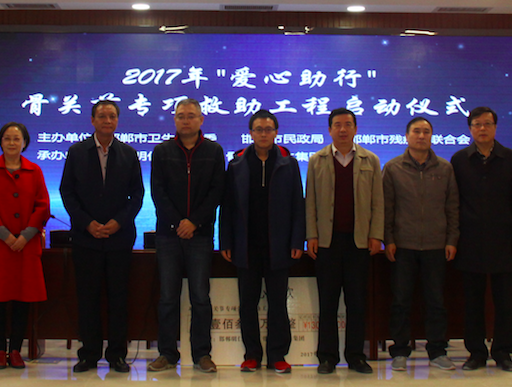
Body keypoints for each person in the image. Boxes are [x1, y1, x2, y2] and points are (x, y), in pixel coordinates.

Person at [60, 100, 145, 373]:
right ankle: (89, 354)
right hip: (86, 239)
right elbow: (67, 192)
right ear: (92, 120)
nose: (107, 120)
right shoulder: (77, 152)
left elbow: (137, 195)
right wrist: (87, 223)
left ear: (117, 121)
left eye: (112, 116)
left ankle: (117, 355)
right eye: (102, 116)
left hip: (119, 239)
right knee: (88, 299)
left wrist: (119, 222)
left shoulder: (128, 153)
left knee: (119, 299)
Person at [219, 110, 305, 374]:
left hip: (279, 245)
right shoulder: (237, 164)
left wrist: (297, 240)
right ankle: (252, 355)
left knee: (278, 303)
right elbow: (227, 206)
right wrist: (226, 241)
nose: (263, 134)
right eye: (258, 129)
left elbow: (297, 205)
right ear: (251, 133)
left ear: (276, 132)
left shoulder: (288, 164)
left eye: (268, 129)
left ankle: (278, 355)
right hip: (246, 246)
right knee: (248, 303)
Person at [148, 98, 226, 373]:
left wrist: (194, 222)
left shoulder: (214, 151)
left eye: (191, 116)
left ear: (201, 120)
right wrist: (178, 222)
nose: (185, 120)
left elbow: (217, 191)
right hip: (168, 236)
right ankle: (167, 353)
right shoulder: (162, 151)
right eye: (181, 116)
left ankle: (202, 354)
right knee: (168, 297)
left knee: (200, 297)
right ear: (175, 120)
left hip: (200, 235)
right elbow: (158, 192)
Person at [450, 106, 512, 373]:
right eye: (477, 124)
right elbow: (453, 202)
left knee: (504, 301)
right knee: (472, 302)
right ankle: (476, 353)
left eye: (487, 124)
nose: (482, 128)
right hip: (469, 240)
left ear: (495, 127)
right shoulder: (459, 159)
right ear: (470, 129)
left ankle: (503, 352)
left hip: (503, 240)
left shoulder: (510, 158)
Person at [305, 108, 384, 374]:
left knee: (357, 302)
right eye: (337, 125)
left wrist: (376, 235)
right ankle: (327, 357)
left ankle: (355, 356)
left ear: (355, 129)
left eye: (347, 124)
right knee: (328, 302)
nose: (342, 129)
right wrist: (311, 235)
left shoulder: (370, 160)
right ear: (329, 130)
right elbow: (310, 202)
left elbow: (378, 202)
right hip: (327, 242)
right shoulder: (317, 160)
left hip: (358, 242)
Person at [382, 117, 459, 372]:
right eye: (416, 131)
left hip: (437, 245)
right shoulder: (393, 168)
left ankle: (437, 351)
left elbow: (452, 207)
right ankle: (399, 351)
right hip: (403, 245)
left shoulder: (445, 169)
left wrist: (452, 239)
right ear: (407, 136)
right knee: (401, 301)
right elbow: (387, 208)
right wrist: (389, 239)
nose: (421, 136)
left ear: (432, 136)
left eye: (426, 131)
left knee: (436, 301)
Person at [0, 121, 51, 370]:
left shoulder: (34, 170)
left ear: (25, 143)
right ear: (0, 141)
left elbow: (42, 206)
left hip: (25, 246)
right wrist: (6, 236)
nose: (12, 143)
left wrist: (25, 235)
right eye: (7, 138)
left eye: (17, 139)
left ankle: (16, 350)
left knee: (22, 299)